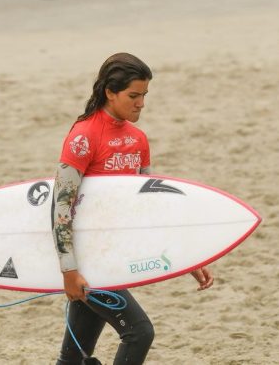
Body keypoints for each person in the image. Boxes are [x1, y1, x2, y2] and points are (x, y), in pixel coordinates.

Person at [52, 53, 214, 364]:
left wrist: (185, 257)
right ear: (110, 92)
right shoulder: (83, 138)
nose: (141, 103)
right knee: (140, 332)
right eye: (133, 95)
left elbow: (148, 207)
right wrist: (69, 270)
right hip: (90, 259)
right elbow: (61, 207)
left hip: (115, 256)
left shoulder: (137, 140)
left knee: (74, 356)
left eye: (144, 96)